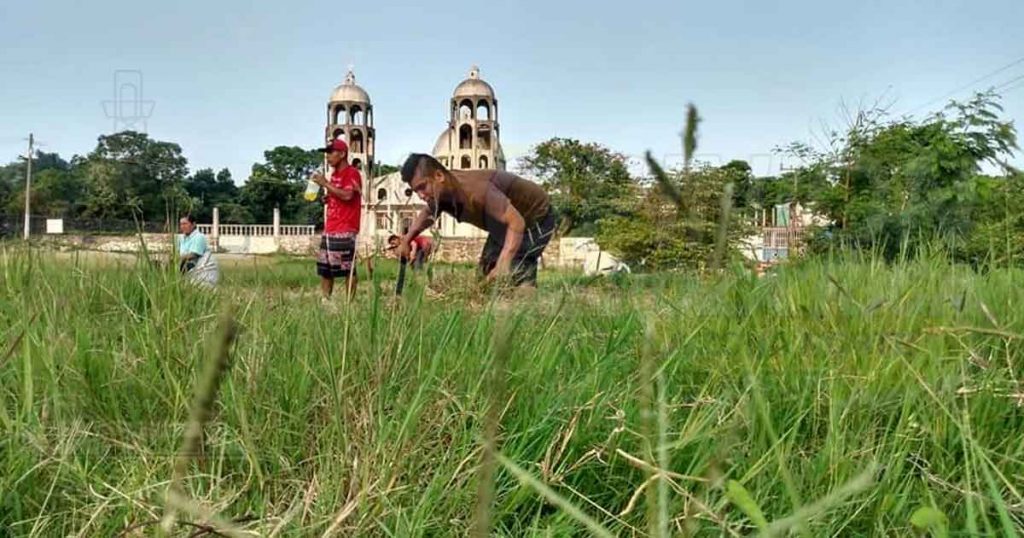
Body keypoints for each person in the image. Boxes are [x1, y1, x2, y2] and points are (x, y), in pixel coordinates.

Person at [396, 154, 555, 287]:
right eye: (416, 190)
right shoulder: (440, 193)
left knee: (515, 273)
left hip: (535, 217)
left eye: (422, 187)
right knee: (485, 277)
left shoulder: (477, 191)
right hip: (502, 225)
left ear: (439, 176)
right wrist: (406, 240)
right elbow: (427, 213)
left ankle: (530, 311)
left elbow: (517, 223)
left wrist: (504, 262)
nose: (421, 195)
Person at [311, 138, 362, 300]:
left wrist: (325, 183)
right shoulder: (334, 175)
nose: (327, 156)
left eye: (330, 153)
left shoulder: (352, 173)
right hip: (330, 227)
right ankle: (326, 302)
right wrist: (328, 197)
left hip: (345, 228)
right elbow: (338, 194)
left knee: (348, 269)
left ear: (342, 154)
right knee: (325, 269)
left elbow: (347, 195)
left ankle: (349, 306)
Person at [176, 215, 219, 288]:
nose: (183, 226)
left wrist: (176, 258)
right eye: (181, 224)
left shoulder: (199, 237)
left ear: (193, 224)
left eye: (185, 224)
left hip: (203, 268)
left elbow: (193, 254)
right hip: (188, 267)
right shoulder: (180, 238)